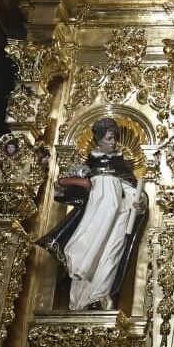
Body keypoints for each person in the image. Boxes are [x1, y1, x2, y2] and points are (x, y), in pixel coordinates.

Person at [36, 117, 147, 311]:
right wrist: (61, 186)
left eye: (114, 138)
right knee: (87, 254)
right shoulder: (88, 167)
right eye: (109, 138)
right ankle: (80, 302)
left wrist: (139, 203)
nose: (113, 142)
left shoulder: (121, 167)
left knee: (110, 256)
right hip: (93, 218)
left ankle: (98, 298)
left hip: (118, 218)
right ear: (98, 139)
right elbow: (68, 191)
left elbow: (133, 191)